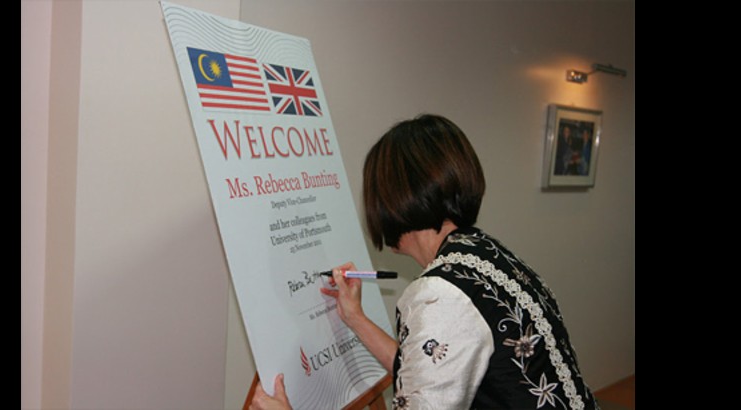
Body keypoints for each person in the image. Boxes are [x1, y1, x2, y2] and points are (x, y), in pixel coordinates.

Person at [250, 114, 598, 410]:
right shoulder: (486, 252)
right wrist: (354, 318)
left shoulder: (440, 293)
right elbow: (427, 374)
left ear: (393, 199)